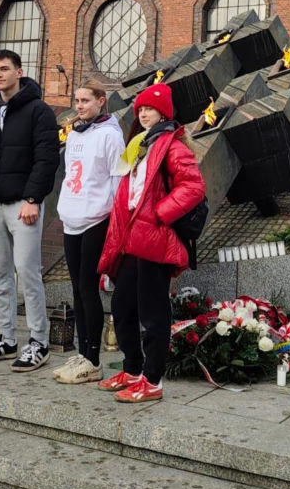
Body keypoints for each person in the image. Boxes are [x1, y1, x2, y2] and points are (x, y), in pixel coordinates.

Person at [97, 83, 205, 402]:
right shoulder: (141, 143)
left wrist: (159, 214)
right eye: (140, 109)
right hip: (134, 237)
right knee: (122, 304)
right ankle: (132, 369)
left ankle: (153, 380)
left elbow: (193, 187)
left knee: (152, 311)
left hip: (156, 238)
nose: (143, 113)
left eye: (150, 108)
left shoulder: (173, 145)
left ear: (164, 112)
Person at [0, 50, 60, 371]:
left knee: (28, 272)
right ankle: (7, 339)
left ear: (19, 72)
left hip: (24, 205)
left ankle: (39, 341)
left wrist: (34, 198)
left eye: (5, 69)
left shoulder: (39, 111)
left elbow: (47, 158)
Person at [52, 80, 125, 384]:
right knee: (77, 290)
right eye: (77, 100)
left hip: (96, 219)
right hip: (72, 219)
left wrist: (113, 224)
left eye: (85, 100)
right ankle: (84, 353)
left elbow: (117, 181)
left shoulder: (110, 136)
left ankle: (93, 358)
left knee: (87, 288)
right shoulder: (75, 135)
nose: (79, 106)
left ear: (101, 101)